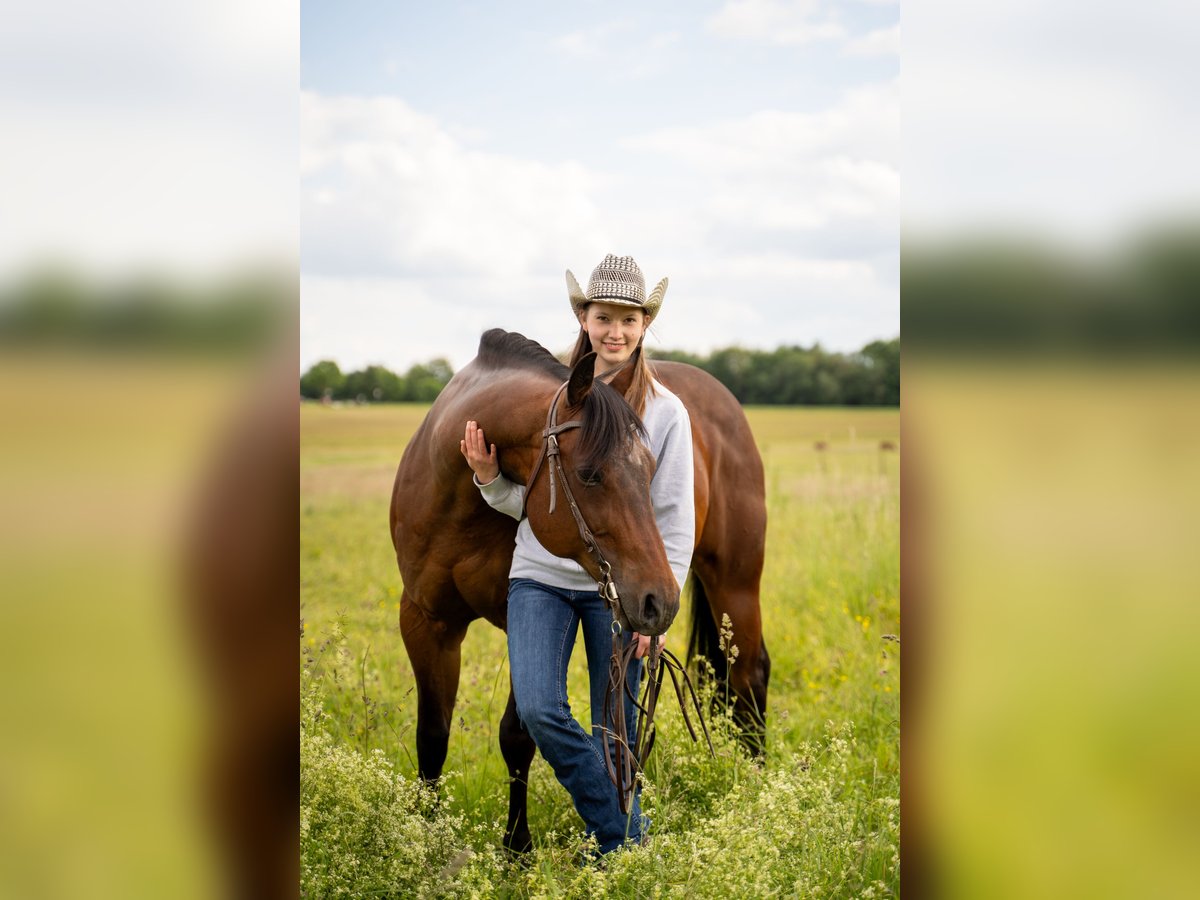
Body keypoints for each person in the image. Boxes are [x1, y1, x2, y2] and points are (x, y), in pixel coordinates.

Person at [459, 253, 695, 855]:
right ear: (583, 320)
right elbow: (537, 505)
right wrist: (489, 479)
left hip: (618, 592)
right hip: (539, 577)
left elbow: (673, 518)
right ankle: (627, 837)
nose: (615, 332)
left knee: (616, 731)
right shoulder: (553, 402)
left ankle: (617, 848)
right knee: (540, 709)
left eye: (629, 320)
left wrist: (656, 615)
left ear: (645, 325)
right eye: (603, 318)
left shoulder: (665, 412)